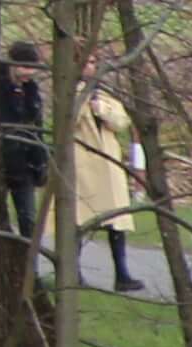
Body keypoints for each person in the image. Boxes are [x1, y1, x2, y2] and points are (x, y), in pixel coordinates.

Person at [65, 75, 141, 292]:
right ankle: (73, 273)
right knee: (79, 219)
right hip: (84, 164)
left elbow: (121, 121)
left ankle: (122, 274)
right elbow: (68, 120)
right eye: (86, 62)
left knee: (116, 220)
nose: (91, 68)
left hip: (108, 164)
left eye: (93, 62)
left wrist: (103, 110)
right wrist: (83, 101)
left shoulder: (104, 91)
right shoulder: (69, 90)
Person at [0, 41, 49, 241]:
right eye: (25, 67)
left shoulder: (32, 92)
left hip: (25, 165)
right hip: (1, 161)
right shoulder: (0, 87)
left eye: (32, 69)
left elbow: (37, 127)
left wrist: (40, 161)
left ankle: (30, 267)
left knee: (28, 219)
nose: (29, 73)